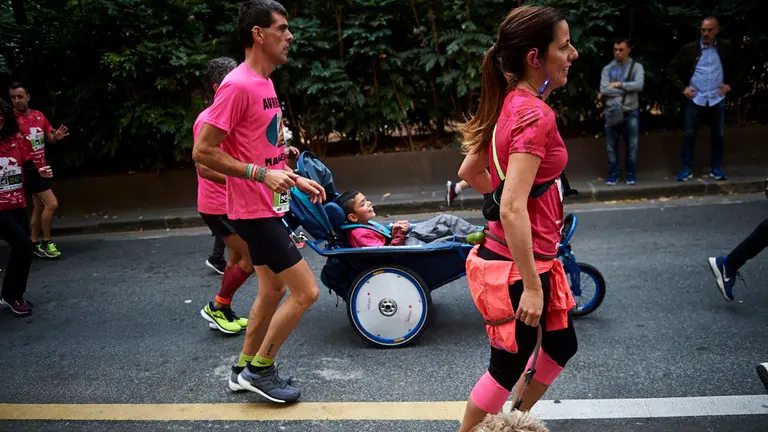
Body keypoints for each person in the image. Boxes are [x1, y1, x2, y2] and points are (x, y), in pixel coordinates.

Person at [192, 0, 325, 403]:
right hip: (252, 210)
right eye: (282, 29)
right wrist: (260, 175)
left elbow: (262, 151)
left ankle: (242, 368)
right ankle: (260, 369)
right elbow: (203, 151)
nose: (289, 36)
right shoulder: (237, 84)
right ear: (258, 34)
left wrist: (294, 176)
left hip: (270, 205)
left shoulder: (265, 84)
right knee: (306, 292)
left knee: (271, 291)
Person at [453, 6, 579, 431]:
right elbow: (510, 205)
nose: (573, 54)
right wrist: (529, 284)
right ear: (534, 57)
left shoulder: (512, 102)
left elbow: (470, 172)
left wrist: (508, 199)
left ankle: (513, 423)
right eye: (563, 47)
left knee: (560, 344)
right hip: (517, 266)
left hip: (526, 255)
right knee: (505, 366)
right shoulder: (534, 114)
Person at [195, 56, 254, 335]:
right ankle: (217, 307)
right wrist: (247, 178)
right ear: (219, 87)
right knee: (252, 257)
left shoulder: (229, 117)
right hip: (216, 206)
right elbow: (204, 168)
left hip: (231, 204)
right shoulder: (207, 119)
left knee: (235, 260)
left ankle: (223, 307)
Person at [667, 17, 739, 182]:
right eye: (703, 30)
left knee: (718, 134)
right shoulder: (690, 49)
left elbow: (740, 67)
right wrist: (683, 87)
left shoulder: (725, 48)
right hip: (696, 96)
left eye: (709, 30)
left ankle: (716, 168)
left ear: (717, 30)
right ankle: (686, 169)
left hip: (716, 96)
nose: (705, 34)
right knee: (689, 133)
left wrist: (730, 85)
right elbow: (672, 68)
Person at [0, 98, 54, 315]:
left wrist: (39, 175)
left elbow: (29, 168)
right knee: (22, 244)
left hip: (17, 204)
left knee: (24, 249)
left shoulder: (18, 140)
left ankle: (12, 295)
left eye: (1, 119)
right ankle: (12, 296)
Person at [8, 82, 68, 259]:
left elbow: (49, 138)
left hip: (43, 168)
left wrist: (55, 138)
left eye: (20, 97)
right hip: (29, 169)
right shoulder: (11, 120)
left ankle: (32, 243)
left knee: (39, 206)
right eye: (13, 97)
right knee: (52, 203)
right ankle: (47, 242)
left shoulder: (39, 116)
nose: (16, 101)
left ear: (28, 97)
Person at [336, 189, 481, 247]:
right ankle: (483, 238)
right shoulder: (359, 234)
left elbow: (386, 241)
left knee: (445, 221)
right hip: (407, 248)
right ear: (353, 217)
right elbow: (384, 252)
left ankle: (482, 234)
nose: (369, 203)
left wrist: (396, 230)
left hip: (407, 241)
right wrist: (399, 233)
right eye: (363, 204)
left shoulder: (363, 226)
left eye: (366, 200)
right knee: (448, 238)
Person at [600, 38, 645, 185]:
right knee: (611, 147)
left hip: (630, 112)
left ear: (628, 50)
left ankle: (630, 174)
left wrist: (619, 85)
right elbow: (604, 89)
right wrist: (626, 88)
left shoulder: (636, 67)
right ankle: (613, 174)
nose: (617, 53)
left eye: (620, 50)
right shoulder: (608, 68)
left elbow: (638, 85)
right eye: (615, 50)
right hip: (612, 112)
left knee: (632, 146)